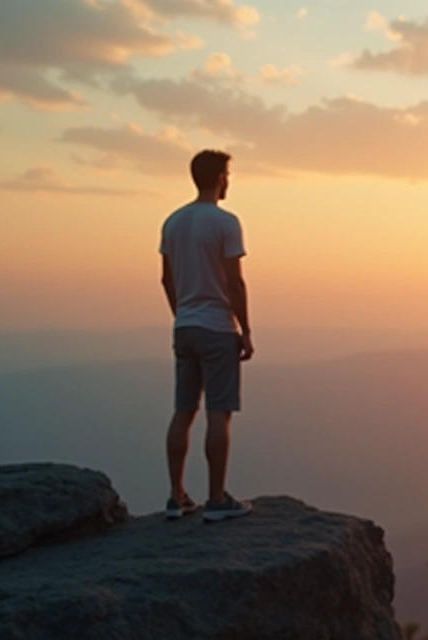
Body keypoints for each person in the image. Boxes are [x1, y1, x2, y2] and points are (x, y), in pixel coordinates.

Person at [159, 149, 254, 522]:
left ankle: (176, 496)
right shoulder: (225, 222)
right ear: (219, 178)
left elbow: (166, 278)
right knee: (219, 412)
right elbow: (234, 280)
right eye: (227, 175)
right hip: (217, 327)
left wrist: (181, 313)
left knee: (183, 411)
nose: (228, 181)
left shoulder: (173, 222)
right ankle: (216, 500)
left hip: (184, 326)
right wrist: (244, 329)